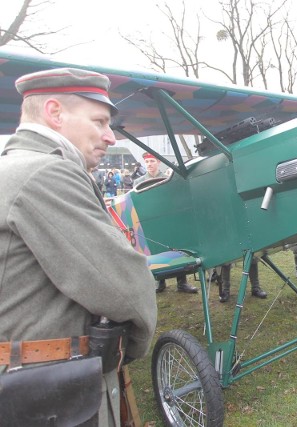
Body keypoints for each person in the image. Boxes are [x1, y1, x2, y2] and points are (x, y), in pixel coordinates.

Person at [0, 67, 157, 426]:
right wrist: (126, 349)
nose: (110, 137)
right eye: (100, 121)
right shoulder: (45, 173)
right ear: (55, 113)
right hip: (49, 391)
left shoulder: (15, 167)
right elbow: (125, 288)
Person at [136, 151, 198, 293]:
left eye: (152, 161)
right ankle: (160, 282)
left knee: (177, 248)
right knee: (156, 250)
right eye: (147, 162)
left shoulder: (167, 178)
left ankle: (182, 283)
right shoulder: (138, 183)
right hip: (150, 222)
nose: (149, 164)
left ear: (158, 162)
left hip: (168, 220)